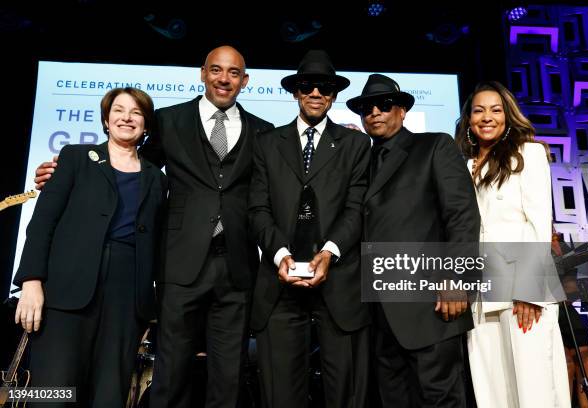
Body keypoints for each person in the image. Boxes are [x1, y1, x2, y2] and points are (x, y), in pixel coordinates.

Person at [33, 45, 274, 408]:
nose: (224, 78)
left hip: (237, 268)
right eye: (216, 70)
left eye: (233, 72)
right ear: (202, 73)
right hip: (178, 264)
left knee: (229, 379)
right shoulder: (167, 120)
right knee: (169, 375)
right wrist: (70, 173)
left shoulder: (263, 132)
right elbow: (129, 168)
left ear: (245, 80)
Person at [14, 87, 167, 407]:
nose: (127, 117)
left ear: (146, 125)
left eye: (136, 112)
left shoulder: (156, 178)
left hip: (126, 301)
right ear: (106, 121)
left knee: (108, 396)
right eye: (119, 111)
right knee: (52, 395)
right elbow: (43, 222)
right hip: (66, 293)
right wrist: (31, 281)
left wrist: (151, 308)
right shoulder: (75, 157)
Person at [346, 74, 480, 407]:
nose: (374, 112)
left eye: (384, 104)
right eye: (366, 107)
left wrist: (457, 278)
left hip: (431, 306)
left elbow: (462, 217)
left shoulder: (434, 146)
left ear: (403, 110)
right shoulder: (361, 163)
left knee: (441, 399)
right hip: (378, 312)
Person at [248, 50, 370, 408]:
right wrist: (281, 255)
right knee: (280, 396)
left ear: (333, 95)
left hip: (340, 286)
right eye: (307, 86)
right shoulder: (267, 143)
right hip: (279, 288)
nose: (316, 92)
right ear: (296, 92)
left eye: (324, 87)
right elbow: (257, 208)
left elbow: (356, 208)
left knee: (345, 396)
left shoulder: (356, 144)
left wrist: (330, 252)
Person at [455, 80, 570, 408]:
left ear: (507, 116)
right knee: (492, 393)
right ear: (469, 119)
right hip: (481, 294)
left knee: (533, 390)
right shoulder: (463, 165)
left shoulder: (529, 153)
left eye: (495, 110)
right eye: (479, 110)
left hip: (523, 292)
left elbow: (538, 224)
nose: (486, 117)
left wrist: (528, 291)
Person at [552, 230, 588, 408]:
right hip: (541, 313)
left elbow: (571, 289)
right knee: (564, 364)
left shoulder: (559, 245)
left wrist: (564, 258)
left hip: (564, 311)